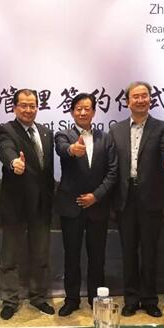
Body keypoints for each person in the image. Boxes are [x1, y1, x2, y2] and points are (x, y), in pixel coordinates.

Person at [110, 81, 164, 318]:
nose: (140, 100)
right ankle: (131, 299)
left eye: (144, 96)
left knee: (150, 252)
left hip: (151, 198)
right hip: (125, 198)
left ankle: (149, 300)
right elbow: (112, 165)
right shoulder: (116, 130)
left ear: (150, 99)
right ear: (127, 101)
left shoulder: (162, 127)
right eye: (135, 96)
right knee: (128, 252)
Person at [54, 93, 118, 316]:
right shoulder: (63, 134)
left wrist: (96, 196)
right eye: (78, 108)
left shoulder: (106, 138)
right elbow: (62, 148)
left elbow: (113, 171)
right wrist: (72, 150)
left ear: (93, 112)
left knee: (97, 257)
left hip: (97, 206)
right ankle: (71, 299)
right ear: (72, 112)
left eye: (87, 108)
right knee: (71, 256)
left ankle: (95, 299)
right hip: (71, 206)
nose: (82, 112)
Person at [0, 89, 55, 320]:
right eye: (23, 105)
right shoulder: (7, 129)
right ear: (14, 107)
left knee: (41, 255)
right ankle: (10, 300)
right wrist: (14, 163)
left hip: (42, 205)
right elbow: (6, 150)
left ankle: (38, 297)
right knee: (10, 257)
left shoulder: (46, 132)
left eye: (32, 105)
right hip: (16, 204)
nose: (28, 109)